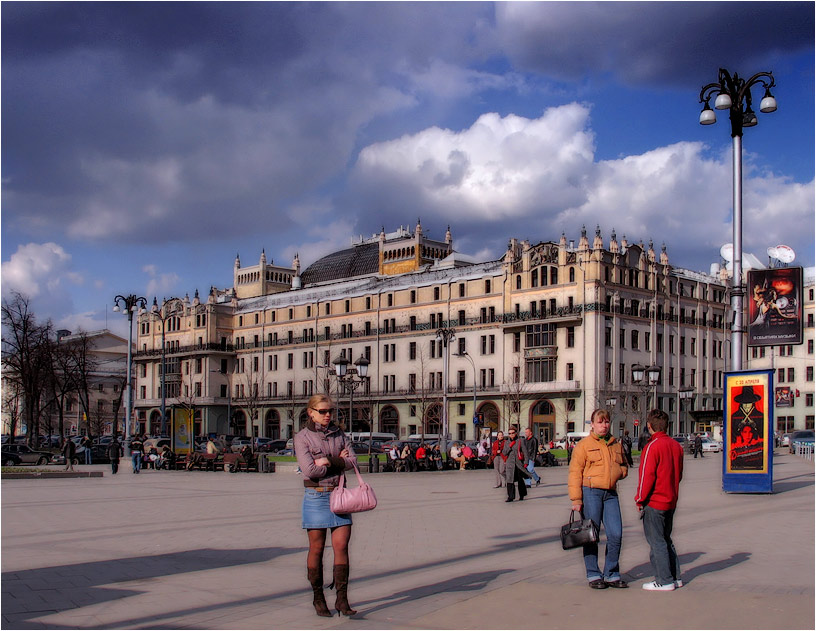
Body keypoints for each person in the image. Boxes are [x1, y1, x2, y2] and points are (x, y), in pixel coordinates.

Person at [294, 394, 358, 618]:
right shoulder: (302, 438)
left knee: (341, 546)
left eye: (330, 410)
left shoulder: (339, 434)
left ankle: (342, 598)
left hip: (339, 496)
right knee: (317, 549)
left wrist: (329, 461)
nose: (328, 415)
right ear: (311, 412)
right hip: (316, 496)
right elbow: (310, 471)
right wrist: (339, 462)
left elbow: (353, 461)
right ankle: (318, 597)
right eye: (322, 411)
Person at [568, 408, 629, 589]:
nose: (604, 425)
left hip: (610, 494)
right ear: (592, 425)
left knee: (616, 534)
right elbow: (574, 473)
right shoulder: (583, 446)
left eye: (606, 422)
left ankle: (611, 573)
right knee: (591, 535)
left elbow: (624, 465)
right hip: (591, 492)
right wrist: (576, 500)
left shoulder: (614, 444)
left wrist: (619, 473)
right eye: (600, 422)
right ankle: (593, 574)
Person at [635, 409, 685, 591]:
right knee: (666, 538)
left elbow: (646, 476)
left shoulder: (652, 446)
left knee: (656, 542)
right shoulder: (676, 446)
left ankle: (664, 580)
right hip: (671, 499)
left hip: (654, 501)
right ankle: (675, 576)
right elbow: (678, 474)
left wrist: (640, 499)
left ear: (649, 426)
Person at [502, 425, 530, 502]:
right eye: (509, 433)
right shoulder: (507, 442)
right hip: (510, 464)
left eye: (512, 433)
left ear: (516, 433)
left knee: (520, 479)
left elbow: (525, 452)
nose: (511, 435)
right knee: (510, 480)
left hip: (518, 463)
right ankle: (510, 496)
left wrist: (526, 462)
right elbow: (504, 453)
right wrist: (509, 447)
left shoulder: (520, 440)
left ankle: (522, 494)